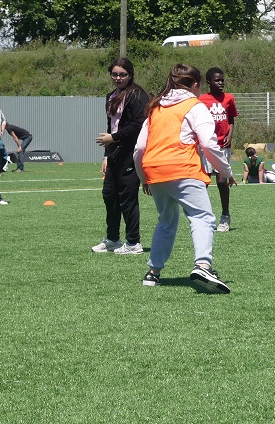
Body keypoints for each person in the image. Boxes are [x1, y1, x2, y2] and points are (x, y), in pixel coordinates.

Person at [134, 64, 235, 294]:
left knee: (166, 220)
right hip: (182, 167)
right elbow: (209, 144)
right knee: (202, 216)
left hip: (155, 170)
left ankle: (153, 273)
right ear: (196, 84)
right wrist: (226, 171)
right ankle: (203, 265)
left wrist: (144, 178)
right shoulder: (195, 106)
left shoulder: (155, 107)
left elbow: (139, 148)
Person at [92, 57, 150, 255]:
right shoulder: (111, 95)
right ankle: (113, 239)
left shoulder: (138, 95)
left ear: (130, 75)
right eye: (115, 74)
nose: (118, 78)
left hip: (131, 151)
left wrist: (114, 137)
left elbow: (139, 124)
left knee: (127, 197)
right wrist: (107, 155)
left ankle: (134, 243)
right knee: (110, 195)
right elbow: (112, 126)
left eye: (122, 74)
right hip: (115, 152)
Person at [198, 67, 238, 232]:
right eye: (217, 80)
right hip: (206, 145)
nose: (221, 83)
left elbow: (231, 119)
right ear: (208, 82)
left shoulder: (229, 98)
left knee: (222, 181)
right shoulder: (201, 100)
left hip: (223, 146)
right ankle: (204, 217)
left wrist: (230, 135)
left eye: (222, 79)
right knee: (203, 182)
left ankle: (225, 215)